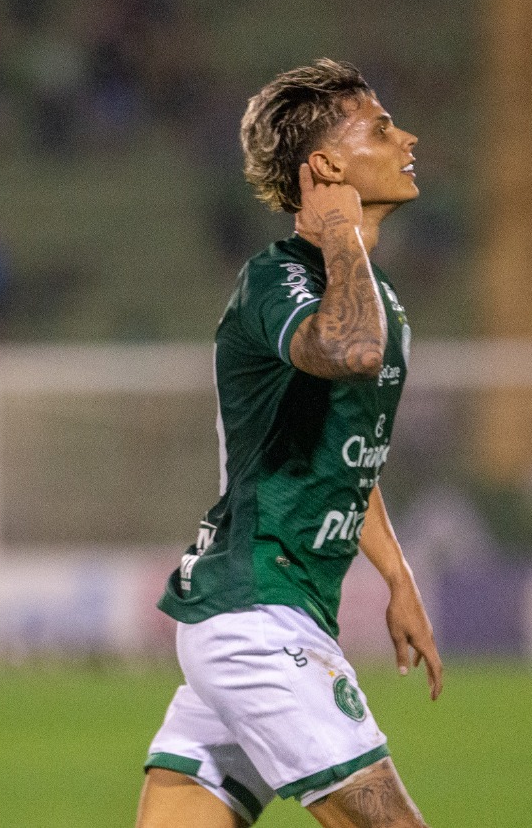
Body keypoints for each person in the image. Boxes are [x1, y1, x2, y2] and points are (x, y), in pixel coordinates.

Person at [136, 59, 442, 828]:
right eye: (380, 127)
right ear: (326, 167)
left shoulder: (372, 296)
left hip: (269, 615)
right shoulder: (279, 281)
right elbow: (348, 350)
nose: (406, 138)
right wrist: (337, 227)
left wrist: (398, 578)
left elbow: (346, 456)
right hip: (255, 621)